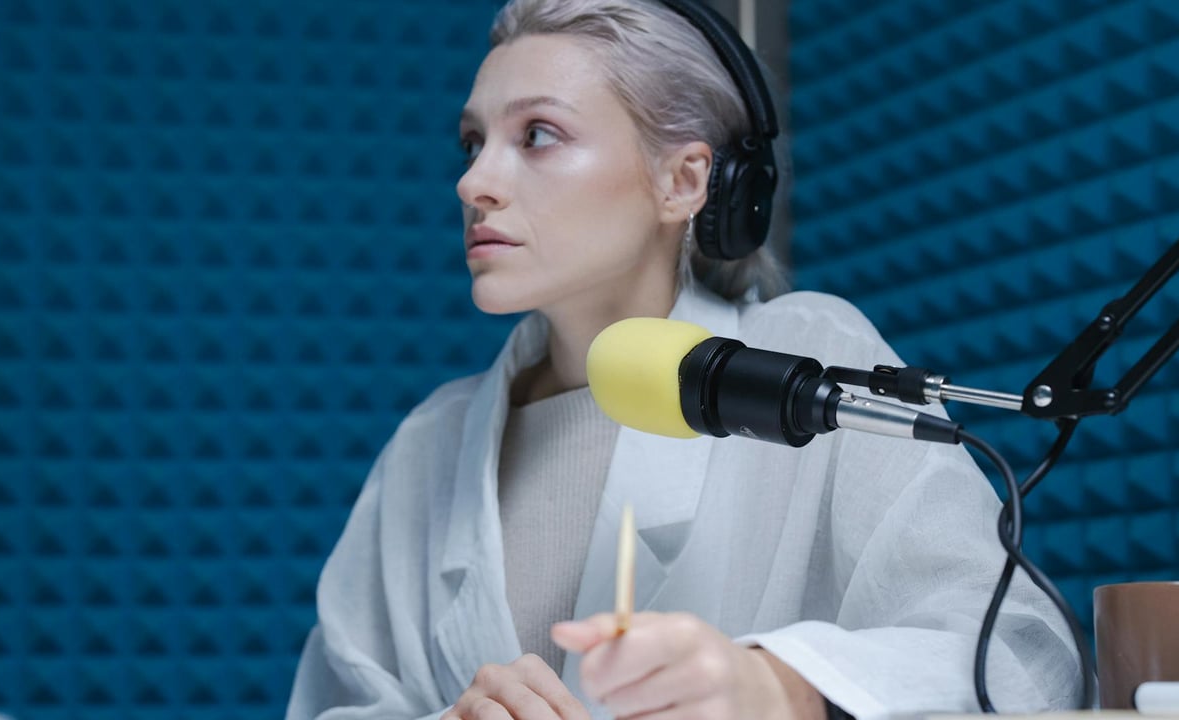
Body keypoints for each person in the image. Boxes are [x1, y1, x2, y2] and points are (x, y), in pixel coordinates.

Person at [286, 1, 1082, 718]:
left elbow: (1020, 657)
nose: (474, 182)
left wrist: (781, 687)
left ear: (684, 180)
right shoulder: (431, 444)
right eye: (473, 142)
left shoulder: (807, 363)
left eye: (537, 135)